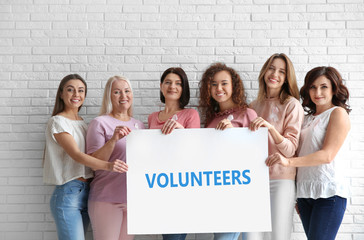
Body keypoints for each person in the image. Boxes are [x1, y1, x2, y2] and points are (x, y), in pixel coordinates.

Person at [266, 66, 351, 240]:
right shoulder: (307, 118)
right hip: (305, 194)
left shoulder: (337, 113)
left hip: (329, 194)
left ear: (334, 89)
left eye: (324, 87)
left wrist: (288, 162)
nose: (317, 92)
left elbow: (327, 155)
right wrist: (299, 194)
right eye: (312, 87)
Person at [43, 74, 126, 240]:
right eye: (70, 90)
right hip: (68, 193)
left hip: (87, 192)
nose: (76, 94)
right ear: (61, 93)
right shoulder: (57, 122)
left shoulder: (83, 123)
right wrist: (109, 166)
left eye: (81, 90)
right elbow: (77, 155)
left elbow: (93, 154)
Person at [243, 53, 304, 240]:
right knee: (252, 236)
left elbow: (290, 149)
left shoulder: (292, 105)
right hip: (253, 180)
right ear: (264, 71)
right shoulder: (253, 106)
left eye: (281, 71)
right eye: (271, 68)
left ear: (287, 78)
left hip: (281, 181)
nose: (274, 74)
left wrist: (270, 128)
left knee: (278, 236)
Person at [199, 63, 258, 240]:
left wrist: (234, 134)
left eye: (224, 83)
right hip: (218, 192)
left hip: (241, 191)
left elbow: (258, 152)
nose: (219, 88)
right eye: (214, 84)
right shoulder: (211, 119)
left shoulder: (248, 114)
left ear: (233, 86)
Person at [86, 76, 145, 240]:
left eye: (127, 91)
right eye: (117, 92)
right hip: (106, 199)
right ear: (109, 96)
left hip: (132, 200)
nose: (123, 96)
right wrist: (113, 139)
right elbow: (94, 163)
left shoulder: (139, 125)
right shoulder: (100, 123)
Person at [148, 67, 200, 240]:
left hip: (181, 187)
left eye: (178, 83)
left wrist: (181, 131)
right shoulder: (152, 117)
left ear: (183, 88)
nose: (172, 86)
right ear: (161, 86)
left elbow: (196, 151)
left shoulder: (190, 114)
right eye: (168, 82)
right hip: (158, 184)